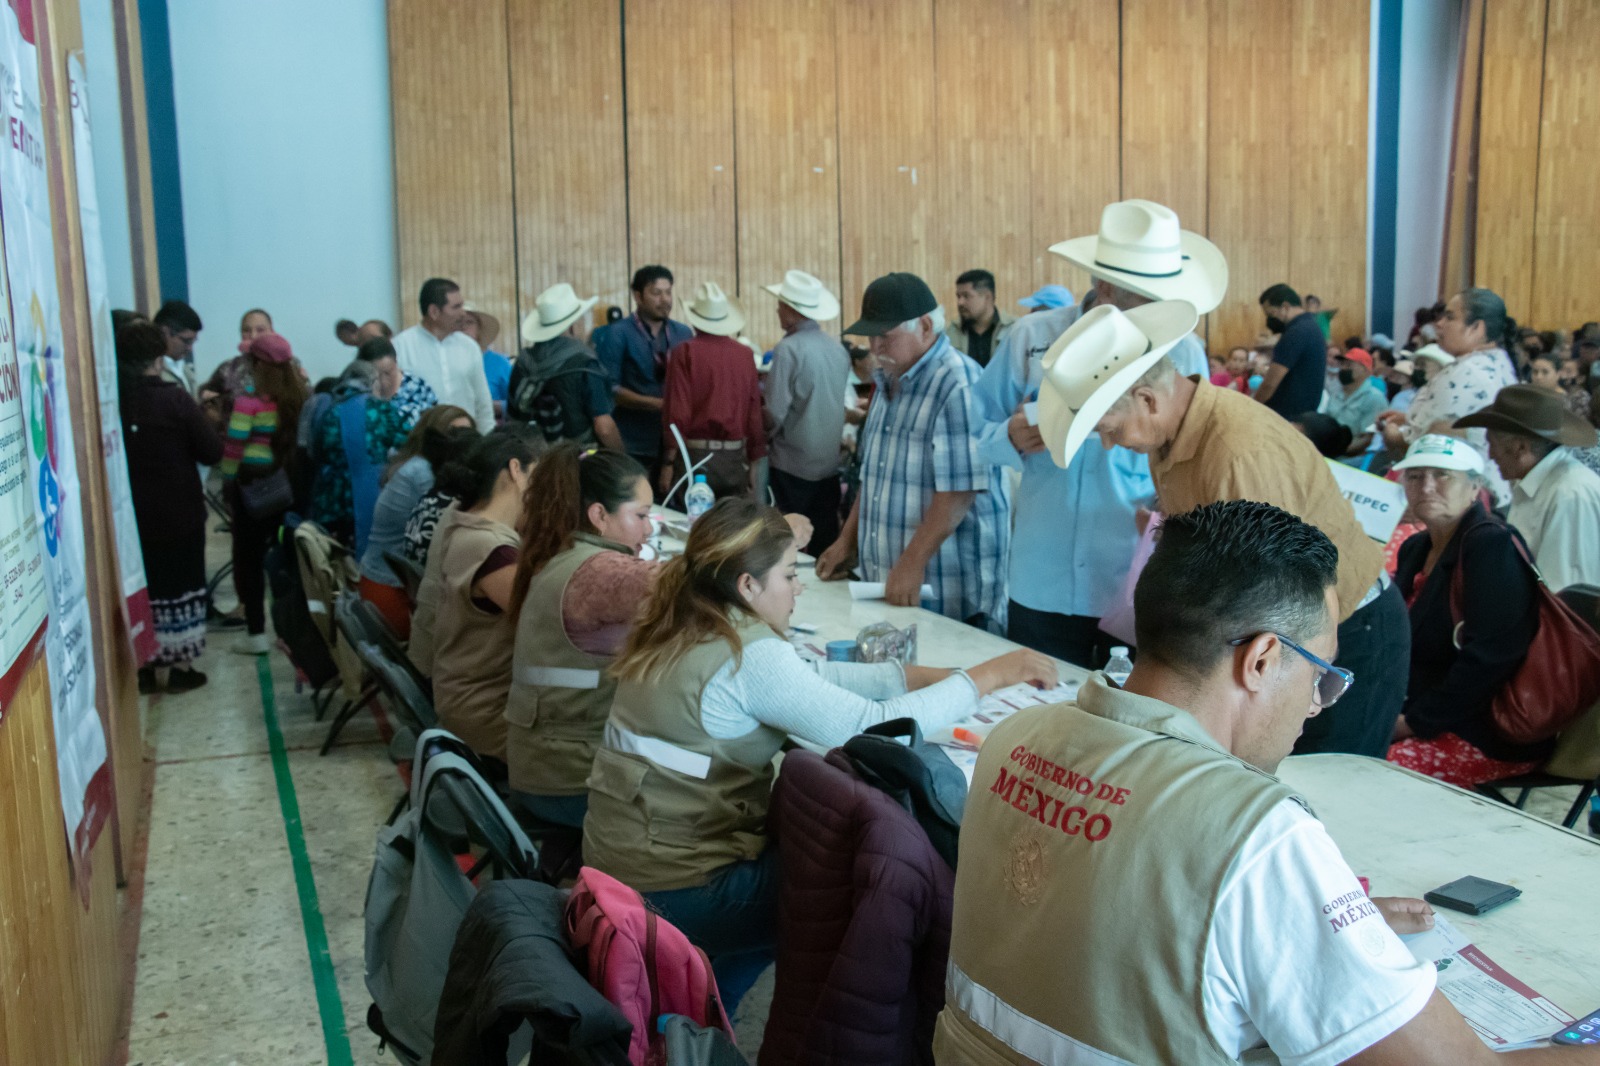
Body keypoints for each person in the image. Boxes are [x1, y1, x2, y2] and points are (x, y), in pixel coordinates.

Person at [935, 500, 1554, 1066]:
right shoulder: (1257, 833)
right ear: (1260, 660)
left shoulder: (1018, 738)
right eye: (1319, 676)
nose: (1316, 706)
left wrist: (1300, 931)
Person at [583, 498, 1057, 1013]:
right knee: (847, 891)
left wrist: (929, 677)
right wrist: (986, 677)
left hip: (619, 860)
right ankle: (729, 1011)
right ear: (748, 586)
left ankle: (695, 999)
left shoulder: (684, 620)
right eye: (789, 574)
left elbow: (808, 678)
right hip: (679, 886)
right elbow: (867, 730)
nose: (798, 587)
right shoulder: (750, 655)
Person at [1041, 301, 1409, 757]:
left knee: (1319, 789)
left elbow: (1271, 601)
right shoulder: (1169, 436)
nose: (1109, 443)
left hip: (1341, 634)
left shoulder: (1237, 454)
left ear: (1148, 400)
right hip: (1283, 636)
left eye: (1108, 429)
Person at [972, 199, 1220, 667]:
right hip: (1040, 574)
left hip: (1130, 576)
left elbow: (1196, 456)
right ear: (1105, 286)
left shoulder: (1183, 354)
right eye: (1147, 299)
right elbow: (975, 429)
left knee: (1122, 717)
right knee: (1036, 710)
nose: (1160, 312)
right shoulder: (1030, 338)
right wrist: (1008, 436)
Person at [816, 273, 1011, 631]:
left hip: (943, 586)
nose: (875, 347)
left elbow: (958, 491)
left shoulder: (957, 382)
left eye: (885, 336)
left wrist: (912, 561)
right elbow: (873, 475)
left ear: (924, 326)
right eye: (871, 336)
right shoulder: (888, 381)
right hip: (893, 582)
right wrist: (847, 541)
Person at [504, 444, 657, 833]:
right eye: (640, 515)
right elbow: (686, 585)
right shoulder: (599, 570)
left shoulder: (566, 554)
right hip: (569, 780)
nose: (650, 528)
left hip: (545, 764)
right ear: (599, 515)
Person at [1387, 436, 1549, 787]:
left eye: (1442, 475)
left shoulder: (1492, 545)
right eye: (1414, 476)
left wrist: (1413, 723)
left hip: (1481, 726)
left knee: (1369, 766)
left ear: (1475, 488)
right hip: (1414, 708)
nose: (1426, 486)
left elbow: (1492, 657)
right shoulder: (1415, 547)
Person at [408, 425, 543, 761]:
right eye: (538, 475)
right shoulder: (490, 548)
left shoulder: (462, 519)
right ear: (515, 469)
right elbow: (542, 622)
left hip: (461, 695)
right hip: (483, 712)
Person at [118, 322, 224, 693]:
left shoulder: (115, 400)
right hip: (179, 512)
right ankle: (180, 668)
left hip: (132, 517)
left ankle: (145, 668)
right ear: (158, 359)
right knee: (181, 589)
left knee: (144, 590)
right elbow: (211, 450)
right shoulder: (174, 399)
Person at [1376, 288, 1520, 501]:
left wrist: (1392, 434)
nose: (1439, 323)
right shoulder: (1499, 361)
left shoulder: (1466, 372)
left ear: (1477, 328)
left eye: (1450, 317)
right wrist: (1409, 420)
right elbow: (1464, 427)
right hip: (1483, 494)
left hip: (1459, 499)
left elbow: (1423, 443)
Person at [1458, 385, 1600, 591]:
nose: (1489, 455)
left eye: (1492, 444)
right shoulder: (1542, 484)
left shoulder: (1569, 494)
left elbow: (1564, 598)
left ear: (1521, 447)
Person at [220, 332, 307, 654]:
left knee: (249, 562)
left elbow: (233, 448)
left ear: (256, 363)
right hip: (290, 493)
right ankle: (296, 632)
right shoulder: (300, 399)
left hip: (254, 494)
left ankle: (256, 634)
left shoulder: (248, 403)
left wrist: (229, 487)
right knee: (289, 562)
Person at [357, 406, 476, 636]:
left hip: (383, 583)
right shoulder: (423, 473)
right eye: (452, 435)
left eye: (467, 435)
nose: (459, 443)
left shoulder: (415, 464)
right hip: (391, 593)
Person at [761, 269, 849, 555]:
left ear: (790, 311)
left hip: (791, 466)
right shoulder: (838, 350)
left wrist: (762, 436)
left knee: (788, 545)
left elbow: (774, 413)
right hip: (828, 467)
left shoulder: (787, 350)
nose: (777, 311)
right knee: (823, 542)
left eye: (779, 306)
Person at [312, 337, 425, 550]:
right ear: (372, 381)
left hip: (332, 504)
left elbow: (316, 452)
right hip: (374, 497)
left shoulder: (330, 411)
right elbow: (410, 446)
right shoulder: (381, 410)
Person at [658, 282, 766, 500]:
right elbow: (754, 413)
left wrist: (668, 462)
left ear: (695, 319)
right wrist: (755, 463)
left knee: (692, 525)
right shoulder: (745, 355)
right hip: (735, 458)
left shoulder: (684, 352)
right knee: (731, 527)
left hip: (694, 457)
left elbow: (677, 412)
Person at [592, 265, 692, 471]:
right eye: (656, 293)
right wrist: (659, 405)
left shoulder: (683, 334)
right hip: (632, 442)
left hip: (676, 442)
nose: (665, 299)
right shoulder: (617, 334)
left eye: (668, 292)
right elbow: (609, 389)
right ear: (638, 296)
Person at [509, 283, 622, 450]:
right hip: (579, 460)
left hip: (533, 460)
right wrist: (622, 457)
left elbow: (513, 417)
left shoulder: (523, 362)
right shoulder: (585, 364)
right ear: (572, 326)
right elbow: (603, 427)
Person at [393, 277, 496, 430]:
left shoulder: (469, 347)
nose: (463, 313)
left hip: (465, 441)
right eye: (456, 307)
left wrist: (486, 442)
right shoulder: (401, 347)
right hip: (421, 445)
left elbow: (483, 403)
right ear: (434, 312)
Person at [1253, 283, 1326, 418]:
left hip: (1287, 417)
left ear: (1285, 307)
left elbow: (1270, 383)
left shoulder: (1295, 332)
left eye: (1271, 314)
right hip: (1303, 414)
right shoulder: (1311, 326)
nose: (1270, 320)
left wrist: (1252, 408)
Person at [945, 269, 1015, 368]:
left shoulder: (1013, 329)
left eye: (966, 296)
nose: (960, 302)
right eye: (958, 296)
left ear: (988, 297)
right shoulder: (950, 332)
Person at [1323, 348, 1387, 453]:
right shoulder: (1336, 393)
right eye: (1342, 364)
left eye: (1349, 365)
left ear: (1365, 371)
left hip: (1354, 458)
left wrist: (1336, 452)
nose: (1343, 368)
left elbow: (1367, 439)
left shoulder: (1374, 399)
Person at [460, 304, 509, 419]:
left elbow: (519, 404)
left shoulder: (499, 363)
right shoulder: (446, 362)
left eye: (469, 322)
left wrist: (493, 406)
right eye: (459, 323)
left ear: (479, 329)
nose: (463, 327)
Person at [154, 299, 203, 395]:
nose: (190, 348)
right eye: (186, 341)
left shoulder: (185, 370)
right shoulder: (151, 372)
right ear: (165, 332)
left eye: (193, 342)